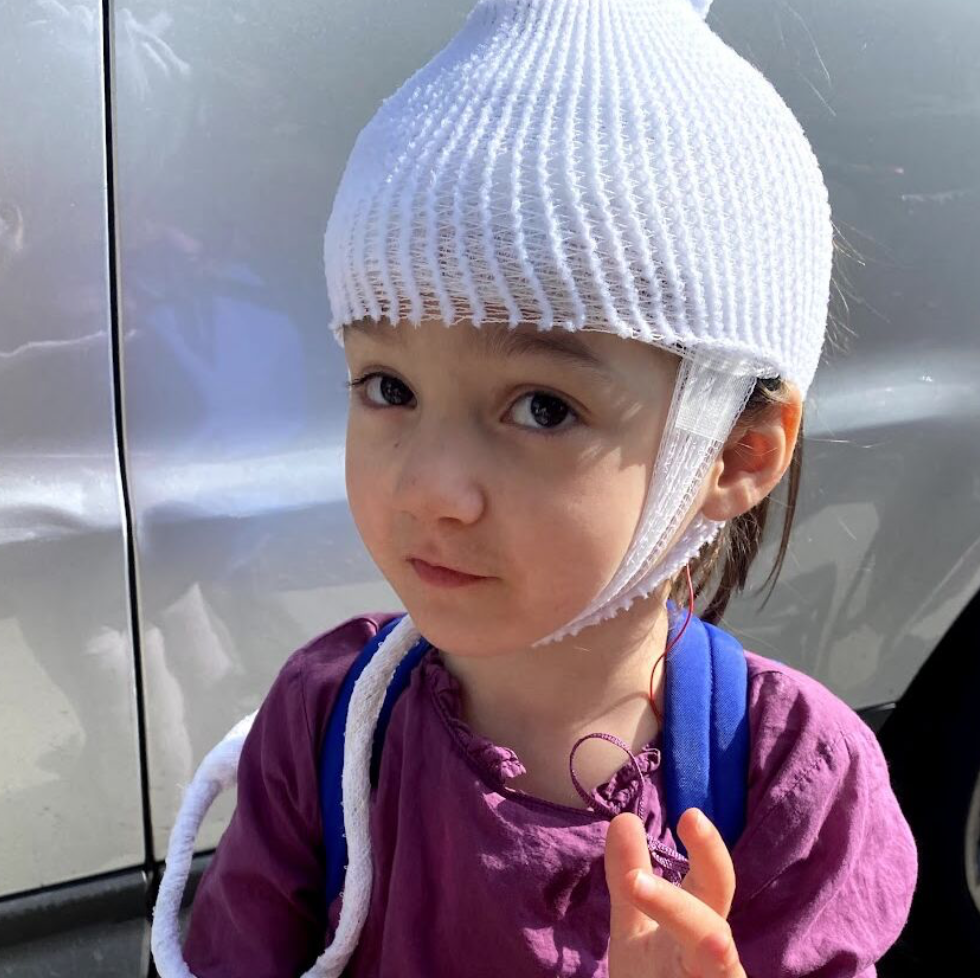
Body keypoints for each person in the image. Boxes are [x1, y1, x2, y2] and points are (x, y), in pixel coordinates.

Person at [171, 0, 918, 975]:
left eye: (541, 407)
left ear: (733, 455)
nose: (432, 491)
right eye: (386, 387)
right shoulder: (326, 727)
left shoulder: (788, 783)